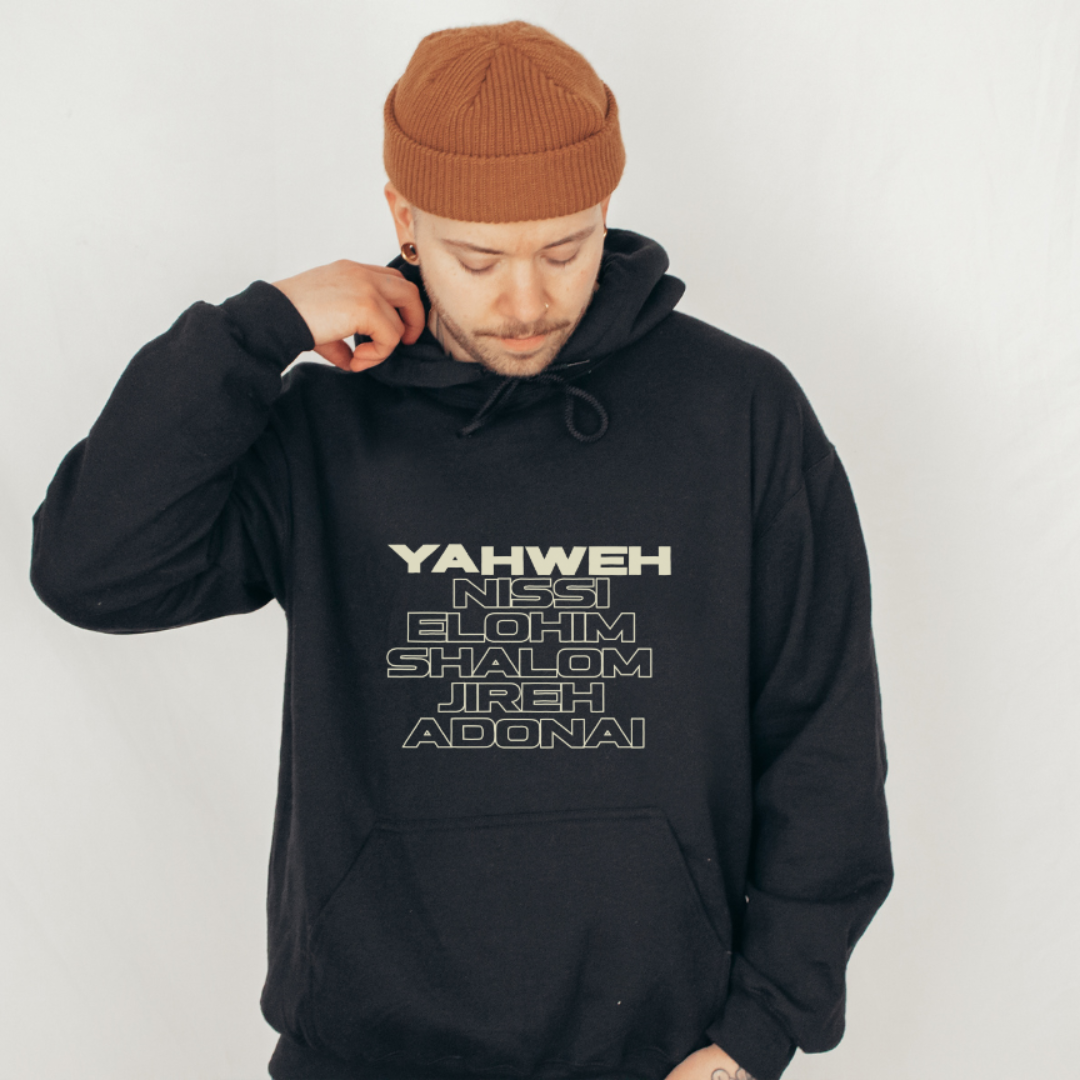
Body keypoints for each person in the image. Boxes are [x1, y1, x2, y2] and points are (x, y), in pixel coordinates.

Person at [30, 20, 892, 1080]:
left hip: (663, 1054)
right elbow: (92, 569)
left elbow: (823, 734)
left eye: (564, 250)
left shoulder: (738, 411)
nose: (526, 302)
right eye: (478, 259)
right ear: (404, 219)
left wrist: (759, 1032)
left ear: (607, 209)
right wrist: (259, 329)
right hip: (364, 1050)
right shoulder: (326, 427)